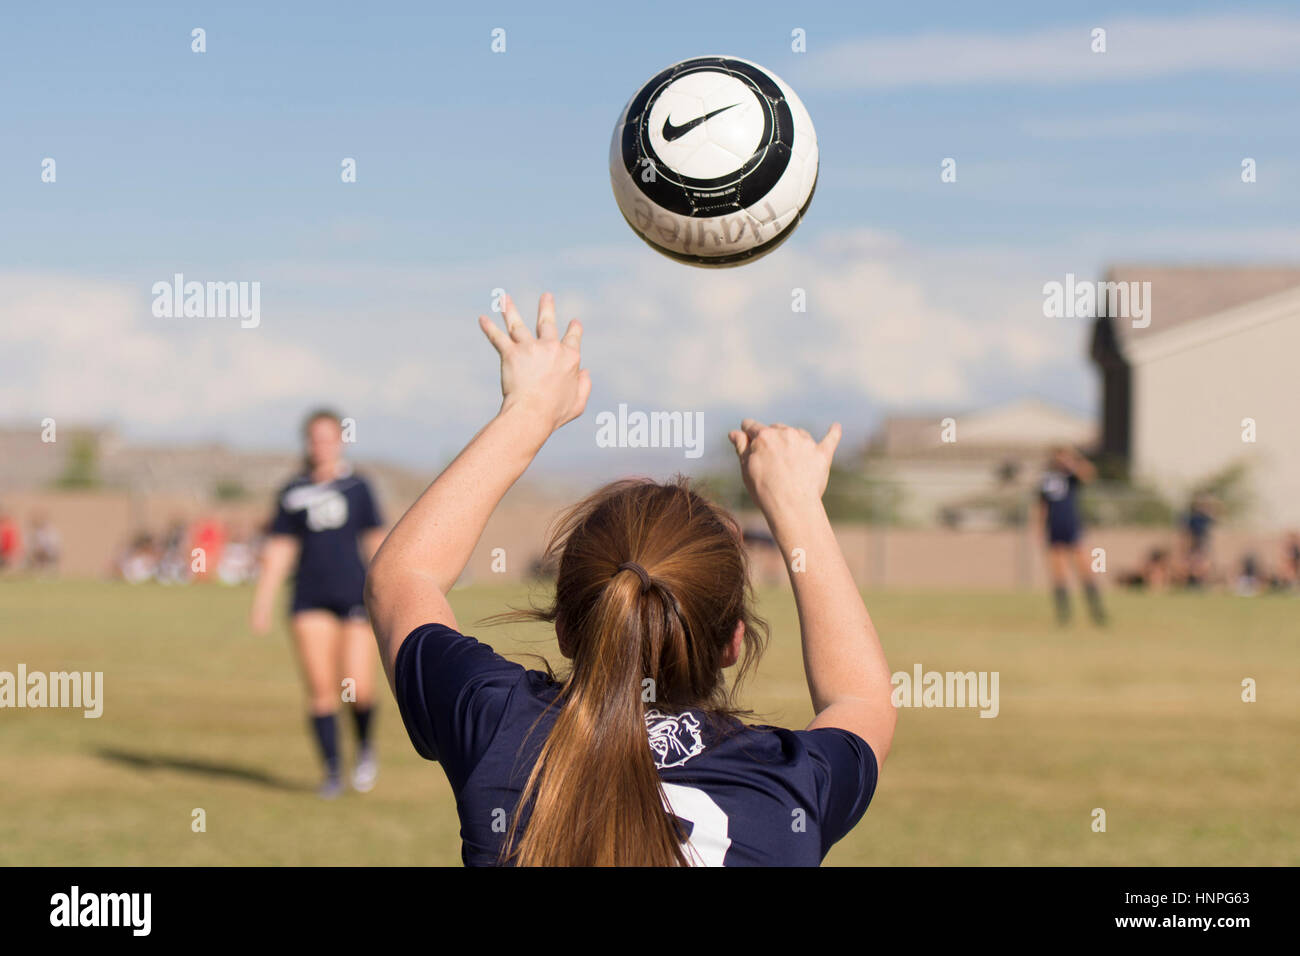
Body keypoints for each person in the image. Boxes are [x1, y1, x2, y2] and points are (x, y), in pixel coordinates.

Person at [365, 293, 896, 866]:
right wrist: (797, 506)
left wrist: (529, 412)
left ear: (567, 629)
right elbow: (860, 699)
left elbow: (403, 577)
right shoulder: (787, 787)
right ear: (732, 643)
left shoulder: (498, 727)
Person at [251, 409, 386, 798]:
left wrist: (389, 592)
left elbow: (376, 542)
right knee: (321, 688)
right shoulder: (292, 491)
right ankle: (331, 772)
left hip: (354, 598)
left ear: (341, 440)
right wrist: (262, 601)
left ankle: (363, 749)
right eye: (315, 438)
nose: (321, 445)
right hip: (309, 598)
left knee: (358, 687)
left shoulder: (359, 487)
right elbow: (279, 550)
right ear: (307, 443)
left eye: (329, 437)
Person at [1036, 445, 1105, 625]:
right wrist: (1039, 529)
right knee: (1058, 573)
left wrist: (1075, 459)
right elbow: (1042, 506)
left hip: (1072, 527)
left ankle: (1096, 612)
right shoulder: (1047, 479)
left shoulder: (1072, 476)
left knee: (1085, 571)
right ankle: (1064, 615)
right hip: (1054, 529)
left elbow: (1090, 474)